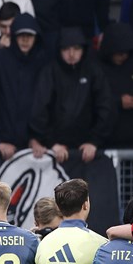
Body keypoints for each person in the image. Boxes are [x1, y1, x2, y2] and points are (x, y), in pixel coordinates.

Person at [28, 27, 115, 165]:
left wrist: (94, 142)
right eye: (66, 49)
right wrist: (52, 143)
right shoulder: (49, 72)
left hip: (87, 153)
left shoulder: (93, 72)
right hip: (53, 153)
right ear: (59, 50)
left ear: (83, 50)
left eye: (76, 48)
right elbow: (39, 110)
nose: (71, 54)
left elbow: (106, 107)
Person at [0, 13, 48, 159]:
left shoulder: (42, 64)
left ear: (36, 38)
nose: (25, 40)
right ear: (13, 36)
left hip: (32, 147)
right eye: (21, 35)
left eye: (30, 35)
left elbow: (44, 104)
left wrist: (36, 139)